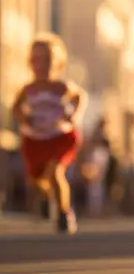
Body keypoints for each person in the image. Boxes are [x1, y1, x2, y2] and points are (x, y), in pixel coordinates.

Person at [12, 34, 84, 234]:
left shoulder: (61, 87)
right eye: (36, 60)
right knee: (36, 179)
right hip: (35, 139)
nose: (42, 65)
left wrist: (73, 115)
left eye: (48, 60)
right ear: (30, 63)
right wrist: (23, 118)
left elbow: (79, 97)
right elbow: (16, 108)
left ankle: (64, 213)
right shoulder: (28, 89)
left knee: (55, 171)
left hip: (59, 137)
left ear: (58, 64)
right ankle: (47, 196)